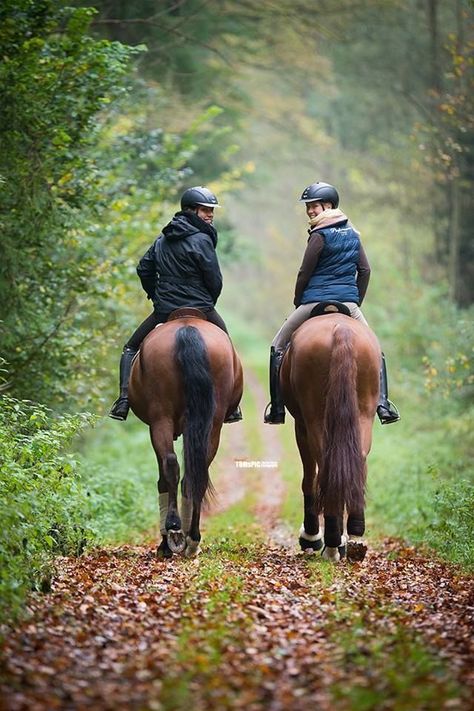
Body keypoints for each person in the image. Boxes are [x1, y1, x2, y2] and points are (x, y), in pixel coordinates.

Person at [264, 181, 400, 426]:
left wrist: (298, 300)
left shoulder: (318, 235)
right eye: (308, 207)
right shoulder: (353, 234)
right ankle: (383, 404)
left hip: (313, 301)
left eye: (314, 206)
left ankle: (276, 407)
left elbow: (305, 272)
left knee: (277, 346)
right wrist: (354, 299)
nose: (310, 211)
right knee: (375, 350)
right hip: (348, 304)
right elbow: (365, 270)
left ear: (329, 205)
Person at [109, 186, 242, 423]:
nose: (210, 215)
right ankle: (232, 407)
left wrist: (157, 296)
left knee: (131, 348)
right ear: (190, 210)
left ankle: (123, 401)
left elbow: (144, 269)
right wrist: (207, 302)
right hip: (201, 307)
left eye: (211, 210)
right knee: (226, 344)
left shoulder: (162, 239)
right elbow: (215, 279)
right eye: (205, 210)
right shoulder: (202, 239)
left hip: (165, 309)